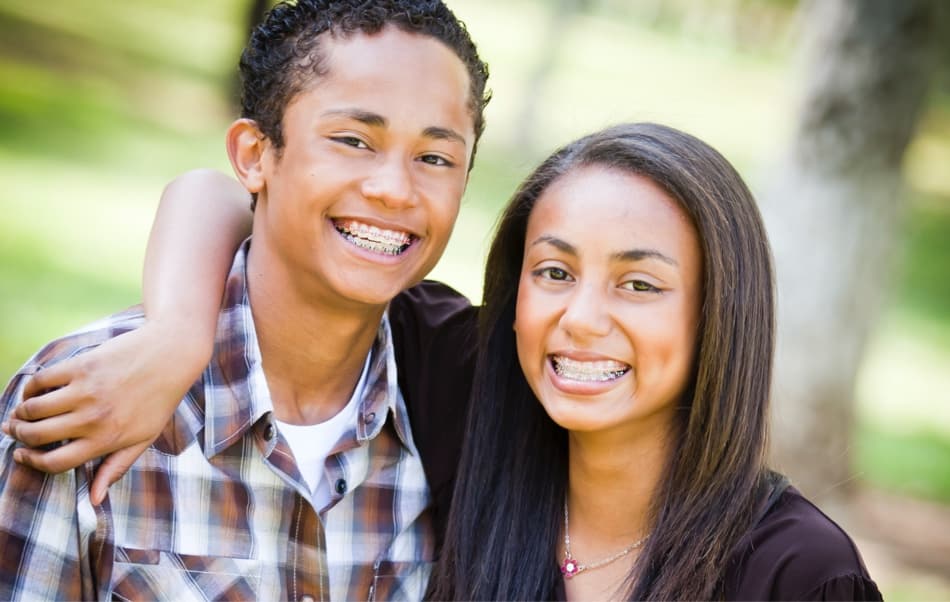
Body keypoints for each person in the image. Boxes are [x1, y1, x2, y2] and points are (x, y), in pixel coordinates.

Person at [8, 121, 882, 600]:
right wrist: (177, 336)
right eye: (554, 272)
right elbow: (228, 197)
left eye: (639, 285)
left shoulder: (798, 574)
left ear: (721, 311)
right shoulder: (469, 393)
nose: (581, 320)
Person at [0, 0, 489, 599]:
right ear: (255, 155)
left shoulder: (456, 404)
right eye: (354, 140)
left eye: (435, 158)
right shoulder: (93, 397)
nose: (393, 189)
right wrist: (178, 335)